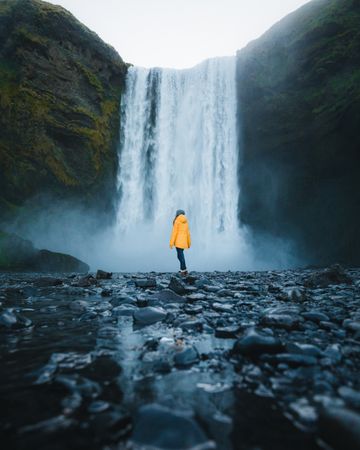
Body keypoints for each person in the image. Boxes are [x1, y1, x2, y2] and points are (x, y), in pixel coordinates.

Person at [169, 209, 191, 276]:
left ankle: (183, 270)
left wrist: (171, 243)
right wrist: (189, 242)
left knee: (180, 256)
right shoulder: (186, 221)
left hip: (178, 241)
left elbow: (174, 232)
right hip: (184, 241)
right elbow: (188, 233)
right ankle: (184, 269)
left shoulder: (177, 220)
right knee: (180, 255)